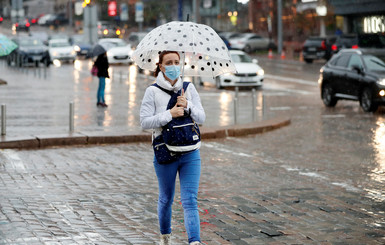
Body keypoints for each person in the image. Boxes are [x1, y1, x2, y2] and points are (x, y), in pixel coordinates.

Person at [140, 51, 205, 245]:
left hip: (190, 152)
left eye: (177, 62)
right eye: (169, 62)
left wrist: (189, 106)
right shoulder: (152, 91)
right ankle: (165, 236)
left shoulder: (188, 87)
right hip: (165, 153)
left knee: (190, 200)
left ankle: (194, 241)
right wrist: (170, 113)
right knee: (166, 198)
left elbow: (202, 118)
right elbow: (144, 122)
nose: (174, 65)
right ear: (160, 66)